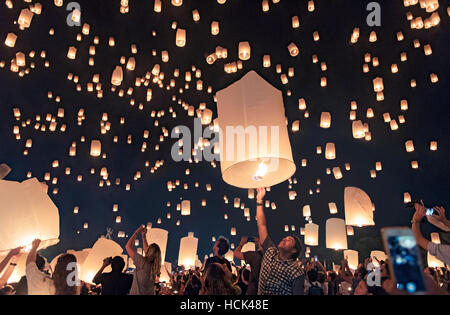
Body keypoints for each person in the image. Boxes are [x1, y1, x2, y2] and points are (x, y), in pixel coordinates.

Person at [255, 188, 305, 295]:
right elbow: (261, 225)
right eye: (285, 238)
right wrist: (259, 200)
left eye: (289, 240)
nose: (284, 239)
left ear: (294, 250)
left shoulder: (296, 272)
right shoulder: (270, 252)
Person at [126, 225, 161, 295]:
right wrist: (143, 237)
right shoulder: (155, 266)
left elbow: (128, 246)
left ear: (149, 252)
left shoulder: (142, 262)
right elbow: (146, 251)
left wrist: (137, 232)